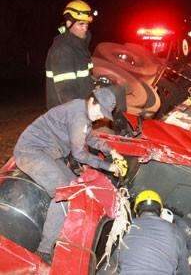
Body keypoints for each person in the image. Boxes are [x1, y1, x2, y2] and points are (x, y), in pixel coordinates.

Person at [13, 88, 126, 260]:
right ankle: (44, 251)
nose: (101, 116)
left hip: (47, 153)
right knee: (67, 194)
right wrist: (108, 166)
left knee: (77, 186)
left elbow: (89, 138)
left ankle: (61, 229)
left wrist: (112, 151)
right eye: (100, 111)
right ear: (92, 101)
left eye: (104, 114)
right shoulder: (79, 115)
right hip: (31, 152)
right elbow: (79, 154)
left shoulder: (83, 111)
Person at [45, 0, 130, 134]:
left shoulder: (79, 46)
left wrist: (97, 82)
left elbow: (82, 77)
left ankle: (124, 130)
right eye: (80, 24)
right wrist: (88, 112)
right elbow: (65, 93)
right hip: (66, 110)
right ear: (68, 23)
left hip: (83, 97)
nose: (85, 27)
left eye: (87, 24)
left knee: (118, 91)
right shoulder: (62, 50)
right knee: (105, 136)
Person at [118, 190, 190, 274]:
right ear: (160, 211)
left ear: (137, 212)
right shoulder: (175, 231)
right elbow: (184, 270)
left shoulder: (125, 228)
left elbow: (115, 261)